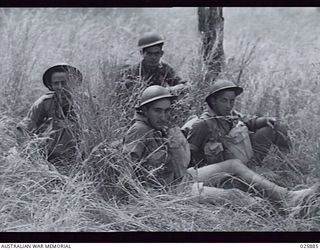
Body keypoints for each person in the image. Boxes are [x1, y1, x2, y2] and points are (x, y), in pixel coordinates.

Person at [123, 85, 318, 211]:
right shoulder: (139, 130)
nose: (163, 116)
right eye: (157, 110)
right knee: (233, 196)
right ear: (144, 110)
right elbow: (125, 170)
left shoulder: (159, 127)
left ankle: (288, 196)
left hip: (179, 178)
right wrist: (142, 201)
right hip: (168, 190)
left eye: (167, 111)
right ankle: (283, 211)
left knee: (233, 165)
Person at [184, 79, 292, 167]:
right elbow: (189, 155)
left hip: (245, 159)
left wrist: (265, 120)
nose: (228, 105)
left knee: (275, 126)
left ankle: (285, 164)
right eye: (224, 100)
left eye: (232, 101)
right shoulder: (203, 124)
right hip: (226, 169)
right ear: (213, 101)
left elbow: (250, 121)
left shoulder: (232, 114)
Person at [16, 63, 83, 171]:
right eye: (56, 83)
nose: (61, 87)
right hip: (50, 157)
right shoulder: (44, 102)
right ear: (51, 86)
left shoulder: (87, 103)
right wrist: (32, 156)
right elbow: (23, 128)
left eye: (64, 83)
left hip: (80, 157)